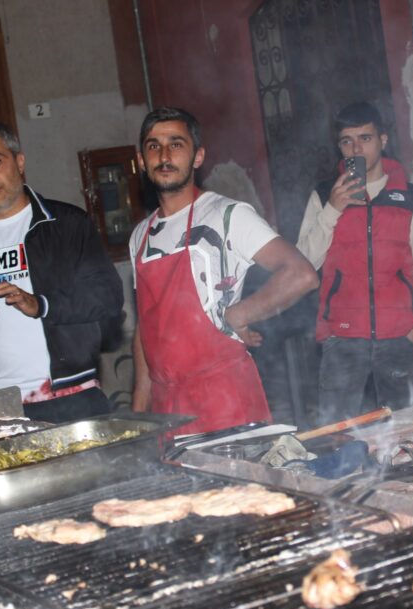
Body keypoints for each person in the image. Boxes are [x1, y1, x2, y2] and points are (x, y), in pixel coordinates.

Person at [129, 107, 318, 436]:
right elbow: (144, 329)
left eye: (176, 144)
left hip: (225, 398)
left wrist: (240, 313)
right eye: (153, 146)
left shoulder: (227, 215)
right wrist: (138, 413)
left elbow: (301, 274)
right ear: (141, 161)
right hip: (166, 408)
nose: (164, 156)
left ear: (198, 156)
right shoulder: (140, 236)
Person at [0, 121, 123, 423]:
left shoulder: (66, 224)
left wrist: (41, 304)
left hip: (69, 398)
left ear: (20, 162)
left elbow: (108, 297)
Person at [297, 102, 413, 424]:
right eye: (347, 141)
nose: (356, 149)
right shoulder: (324, 195)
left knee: (402, 429)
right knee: (338, 430)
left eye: (365, 138)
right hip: (342, 337)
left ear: (382, 140)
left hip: (399, 335)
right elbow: (304, 264)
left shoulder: (409, 196)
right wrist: (333, 209)